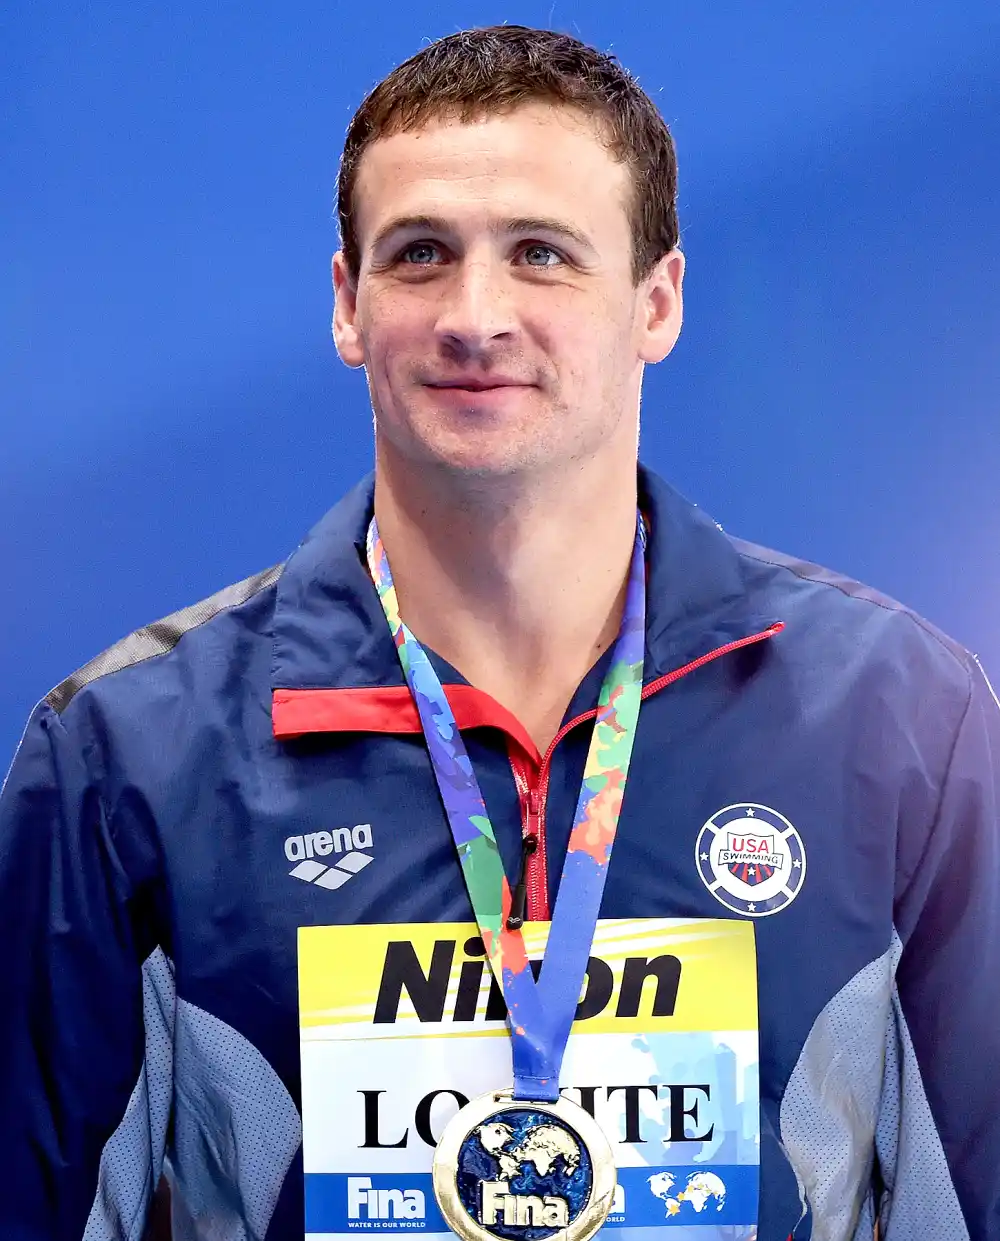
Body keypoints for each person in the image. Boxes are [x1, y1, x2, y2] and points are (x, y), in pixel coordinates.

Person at [0, 24, 997, 1241]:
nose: (476, 315)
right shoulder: (129, 750)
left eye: (540, 253)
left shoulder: (902, 721)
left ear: (656, 301)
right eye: (420, 254)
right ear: (346, 304)